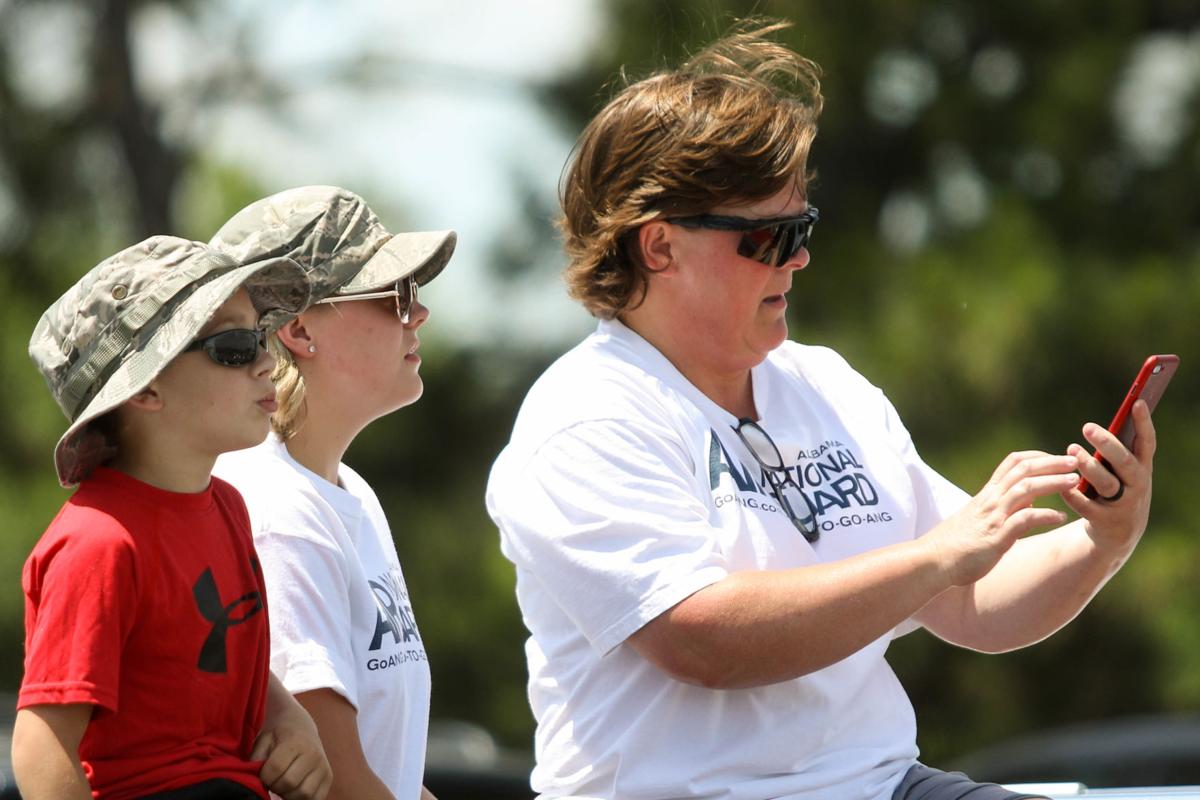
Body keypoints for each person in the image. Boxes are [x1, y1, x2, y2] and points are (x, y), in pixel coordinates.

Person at [485, 20, 1158, 800]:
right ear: (658, 246)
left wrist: (1104, 538)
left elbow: (971, 602)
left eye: (801, 228)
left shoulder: (825, 384)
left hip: (881, 783)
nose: (799, 257)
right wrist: (937, 555)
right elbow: (702, 638)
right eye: (767, 237)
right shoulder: (587, 418)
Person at [14, 236, 333, 800]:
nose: (267, 362)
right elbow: (41, 746)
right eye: (234, 346)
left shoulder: (228, 506)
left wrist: (285, 716)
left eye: (261, 336)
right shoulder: (99, 542)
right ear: (148, 386)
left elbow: (216, 646)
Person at [209, 185, 457, 800]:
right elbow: (337, 782)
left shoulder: (347, 493)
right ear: (298, 330)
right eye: (395, 294)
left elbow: (387, 770)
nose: (418, 313)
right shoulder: (276, 510)